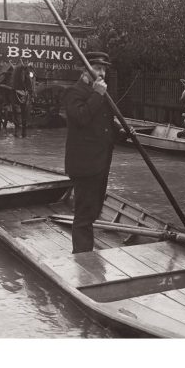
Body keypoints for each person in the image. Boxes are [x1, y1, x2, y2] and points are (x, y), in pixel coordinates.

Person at [63, 52, 128, 253]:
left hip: (101, 163)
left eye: (104, 69)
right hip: (84, 165)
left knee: (93, 212)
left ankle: (88, 254)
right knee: (84, 215)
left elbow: (104, 125)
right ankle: (82, 259)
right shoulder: (75, 92)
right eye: (97, 68)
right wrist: (97, 94)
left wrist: (122, 132)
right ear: (85, 69)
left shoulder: (100, 92)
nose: (102, 73)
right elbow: (81, 118)